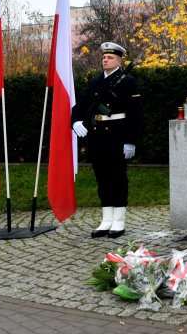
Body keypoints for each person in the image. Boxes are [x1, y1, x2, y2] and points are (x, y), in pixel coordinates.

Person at [71, 42, 141, 238]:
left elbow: (135, 113)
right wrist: (75, 122)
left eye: (109, 57)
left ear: (119, 61)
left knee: (117, 177)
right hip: (98, 136)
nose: (105, 60)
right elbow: (81, 105)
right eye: (103, 57)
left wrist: (131, 141)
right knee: (102, 178)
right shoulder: (95, 82)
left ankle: (118, 219)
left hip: (118, 136)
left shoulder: (128, 81)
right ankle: (106, 219)